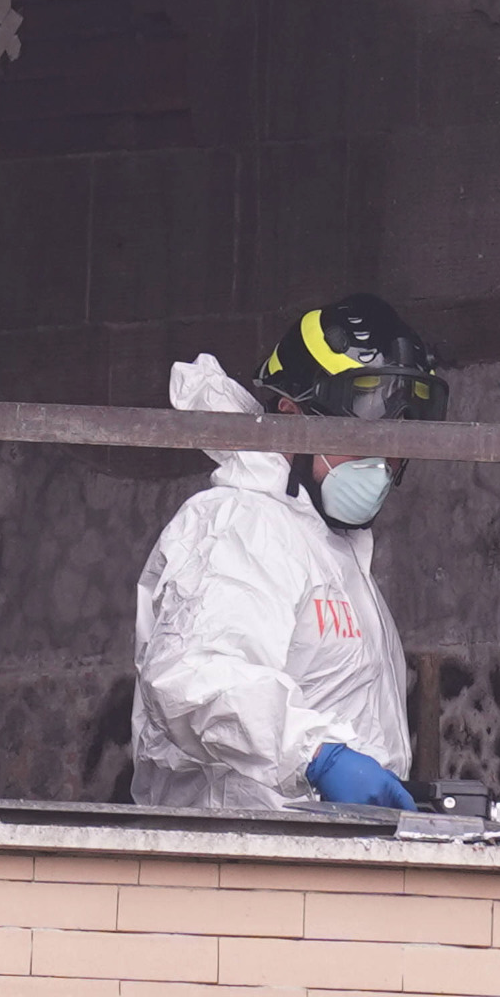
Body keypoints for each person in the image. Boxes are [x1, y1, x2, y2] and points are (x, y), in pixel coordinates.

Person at [130, 293, 450, 811]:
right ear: (291, 415)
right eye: (363, 436)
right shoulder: (243, 525)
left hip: (318, 864)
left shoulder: (331, 548)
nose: (383, 463)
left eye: (395, 440)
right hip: (245, 866)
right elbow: (194, 679)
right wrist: (318, 757)